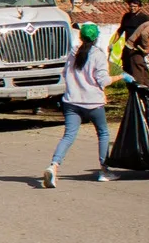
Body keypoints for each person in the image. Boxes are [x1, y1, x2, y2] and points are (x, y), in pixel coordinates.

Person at [45, 23, 111, 187]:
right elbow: (104, 80)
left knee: (68, 136)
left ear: (80, 37)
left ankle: (54, 165)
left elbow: (65, 74)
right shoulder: (98, 55)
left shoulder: (72, 53)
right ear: (96, 38)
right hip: (93, 102)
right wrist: (122, 77)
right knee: (103, 133)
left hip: (71, 101)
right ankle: (104, 170)